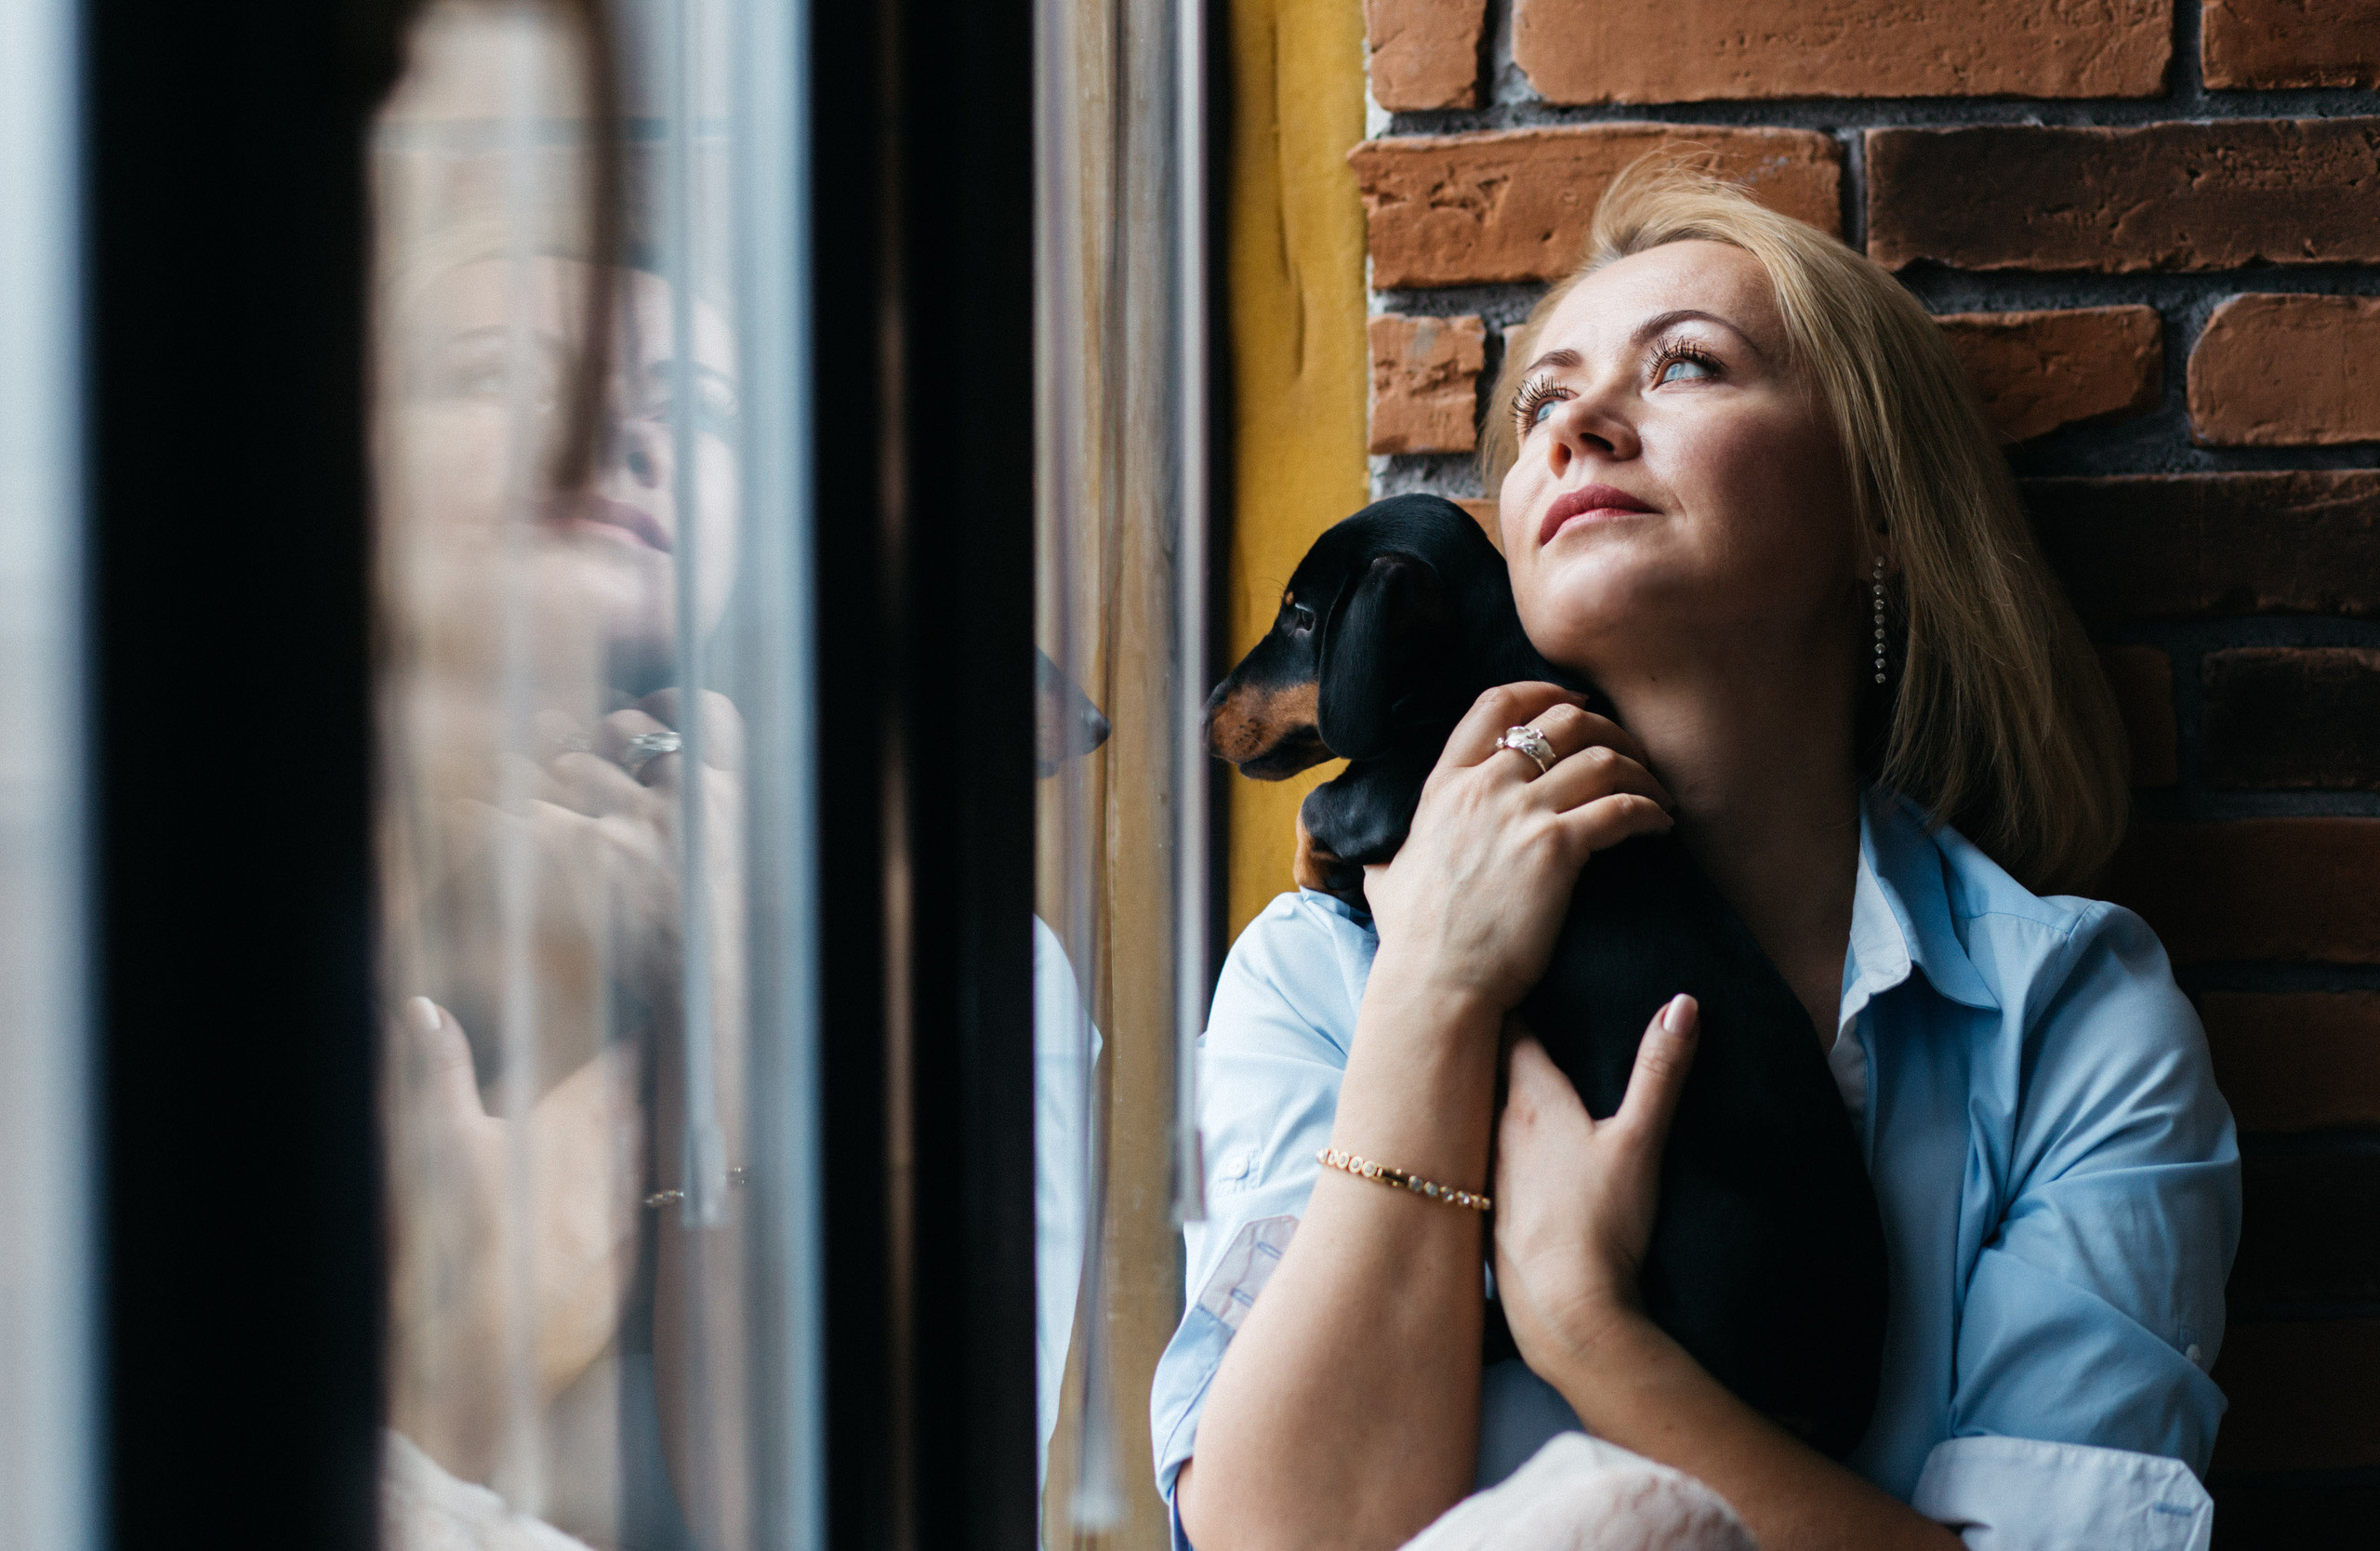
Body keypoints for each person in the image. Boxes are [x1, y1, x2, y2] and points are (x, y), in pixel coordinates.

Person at [1152, 162, 2239, 1551]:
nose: (1577, 428)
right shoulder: (1324, 975)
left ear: (1879, 513)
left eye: (1686, 368)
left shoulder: (2065, 1026)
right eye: (1541, 403)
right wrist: (1431, 991)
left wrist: (1590, 1329)